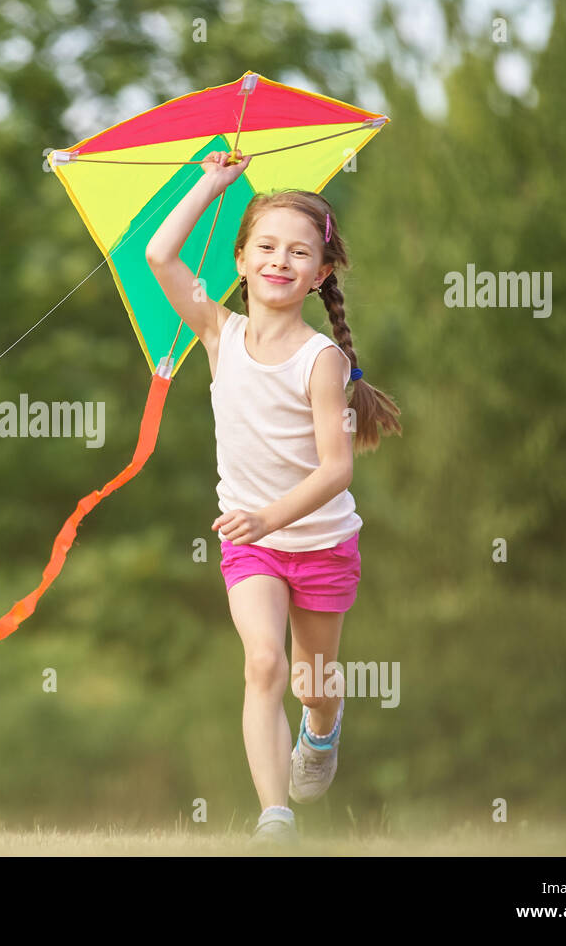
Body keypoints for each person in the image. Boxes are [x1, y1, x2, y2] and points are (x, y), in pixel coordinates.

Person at [146, 150, 401, 846]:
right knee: (264, 663)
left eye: (298, 252)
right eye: (265, 247)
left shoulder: (323, 361)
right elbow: (160, 254)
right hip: (250, 546)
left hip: (319, 543)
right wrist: (212, 183)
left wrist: (271, 515)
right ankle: (274, 818)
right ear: (240, 260)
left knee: (313, 685)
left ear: (320, 273)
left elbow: (336, 470)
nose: (280, 261)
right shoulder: (216, 331)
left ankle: (322, 732)